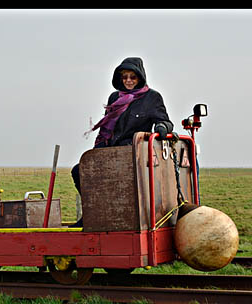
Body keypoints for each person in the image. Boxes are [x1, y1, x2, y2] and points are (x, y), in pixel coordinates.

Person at [70, 57, 174, 227]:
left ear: (140, 77)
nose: (128, 81)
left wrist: (162, 127)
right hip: (111, 150)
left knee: (119, 174)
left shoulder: (152, 97)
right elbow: (108, 125)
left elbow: (165, 121)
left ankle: (123, 217)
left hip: (134, 153)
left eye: (133, 77)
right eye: (124, 77)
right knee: (79, 170)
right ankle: (92, 213)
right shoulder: (115, 97)